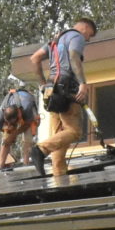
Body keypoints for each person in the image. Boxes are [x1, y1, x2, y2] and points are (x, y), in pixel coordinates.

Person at [36, 14, 98, 183]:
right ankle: (41, 150)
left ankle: (59, 178)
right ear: (85, 27)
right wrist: (82, 83)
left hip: (51, 90)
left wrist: (42, 84)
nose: (88, 39)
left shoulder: (55, 41)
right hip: (67, 88)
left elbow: (35, 58)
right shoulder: (76, 36)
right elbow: (73, 56)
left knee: (59, 135)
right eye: (90, 35)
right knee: (74, 131)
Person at [0, 76, 41, 169]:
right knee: (6, 137)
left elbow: (27, 124)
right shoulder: (1, 113)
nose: (11, 125)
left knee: (28, 137)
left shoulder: (26, 107)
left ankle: (26, 163)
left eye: (14, 122)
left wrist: (14, 134)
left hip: (28, 106)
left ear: (18, 115)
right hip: (15, 108)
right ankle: (1, 165)